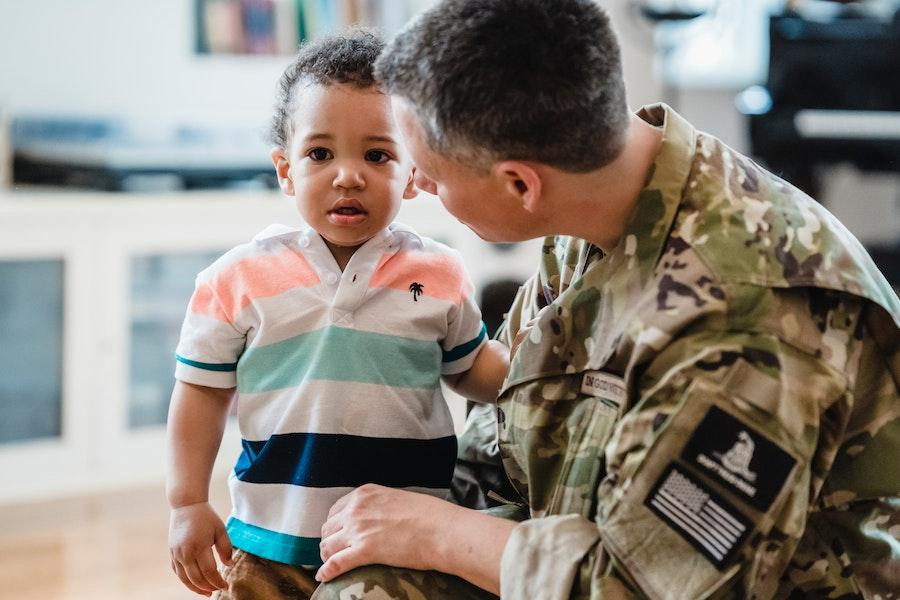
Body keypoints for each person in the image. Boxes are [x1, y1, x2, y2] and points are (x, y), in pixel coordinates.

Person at [309, 1, 900, 599]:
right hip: (583, 547)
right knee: (353, 577)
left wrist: (438, 533)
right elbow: (502, 449)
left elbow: (643, 587)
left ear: (520, 183)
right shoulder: (594, 200)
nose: (417, 186)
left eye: (431, 172)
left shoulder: (748, 321)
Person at [165, 29, 509, 599]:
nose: (348, 175)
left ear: (415, 171)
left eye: (377, 155)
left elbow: (472, 369)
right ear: (285, 169)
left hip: (399, 541)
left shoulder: (440, 272)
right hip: (269, 543)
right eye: (320, 154)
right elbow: (200, 394)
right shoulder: (236, 279)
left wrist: (534, 368)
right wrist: (187, 503)